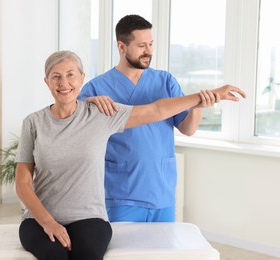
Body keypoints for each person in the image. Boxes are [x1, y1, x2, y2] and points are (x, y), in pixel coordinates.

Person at [15, 50, 245, 259]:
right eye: (56, 76)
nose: (64, 83)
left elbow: (157, 109)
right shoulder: (33, 123)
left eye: (70, 75)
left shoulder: (100, 115)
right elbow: (23, 183)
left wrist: (209, 95)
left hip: (89, 218)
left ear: (82, 78)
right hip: (39, 220)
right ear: (46, 82)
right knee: (54, 257)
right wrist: (49, 223)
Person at [79, 14, 238, 222]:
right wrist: (89, 104)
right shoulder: (97, 88)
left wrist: (197, 106)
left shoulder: (165, 81)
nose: (149, 51)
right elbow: (78, 129)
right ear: (121, 46)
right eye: (142, 45)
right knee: (125, 254)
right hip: (121, 193)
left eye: (151, 44)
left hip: (161, 191)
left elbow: (188, 129)